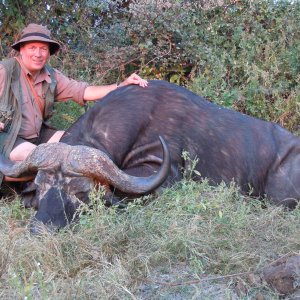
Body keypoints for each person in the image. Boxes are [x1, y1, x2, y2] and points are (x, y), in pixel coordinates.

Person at [0, 23, 148, 183]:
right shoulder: (5, 71)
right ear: (21, 49)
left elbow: (83, 91)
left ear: (48, 53)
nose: (38, 54)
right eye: (32, 47)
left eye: (43, 48)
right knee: (44, 159)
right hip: (9, 137)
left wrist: (121, 86)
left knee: (78, 146)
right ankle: (14, 179)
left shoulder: (51, 75)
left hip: (39, 135)